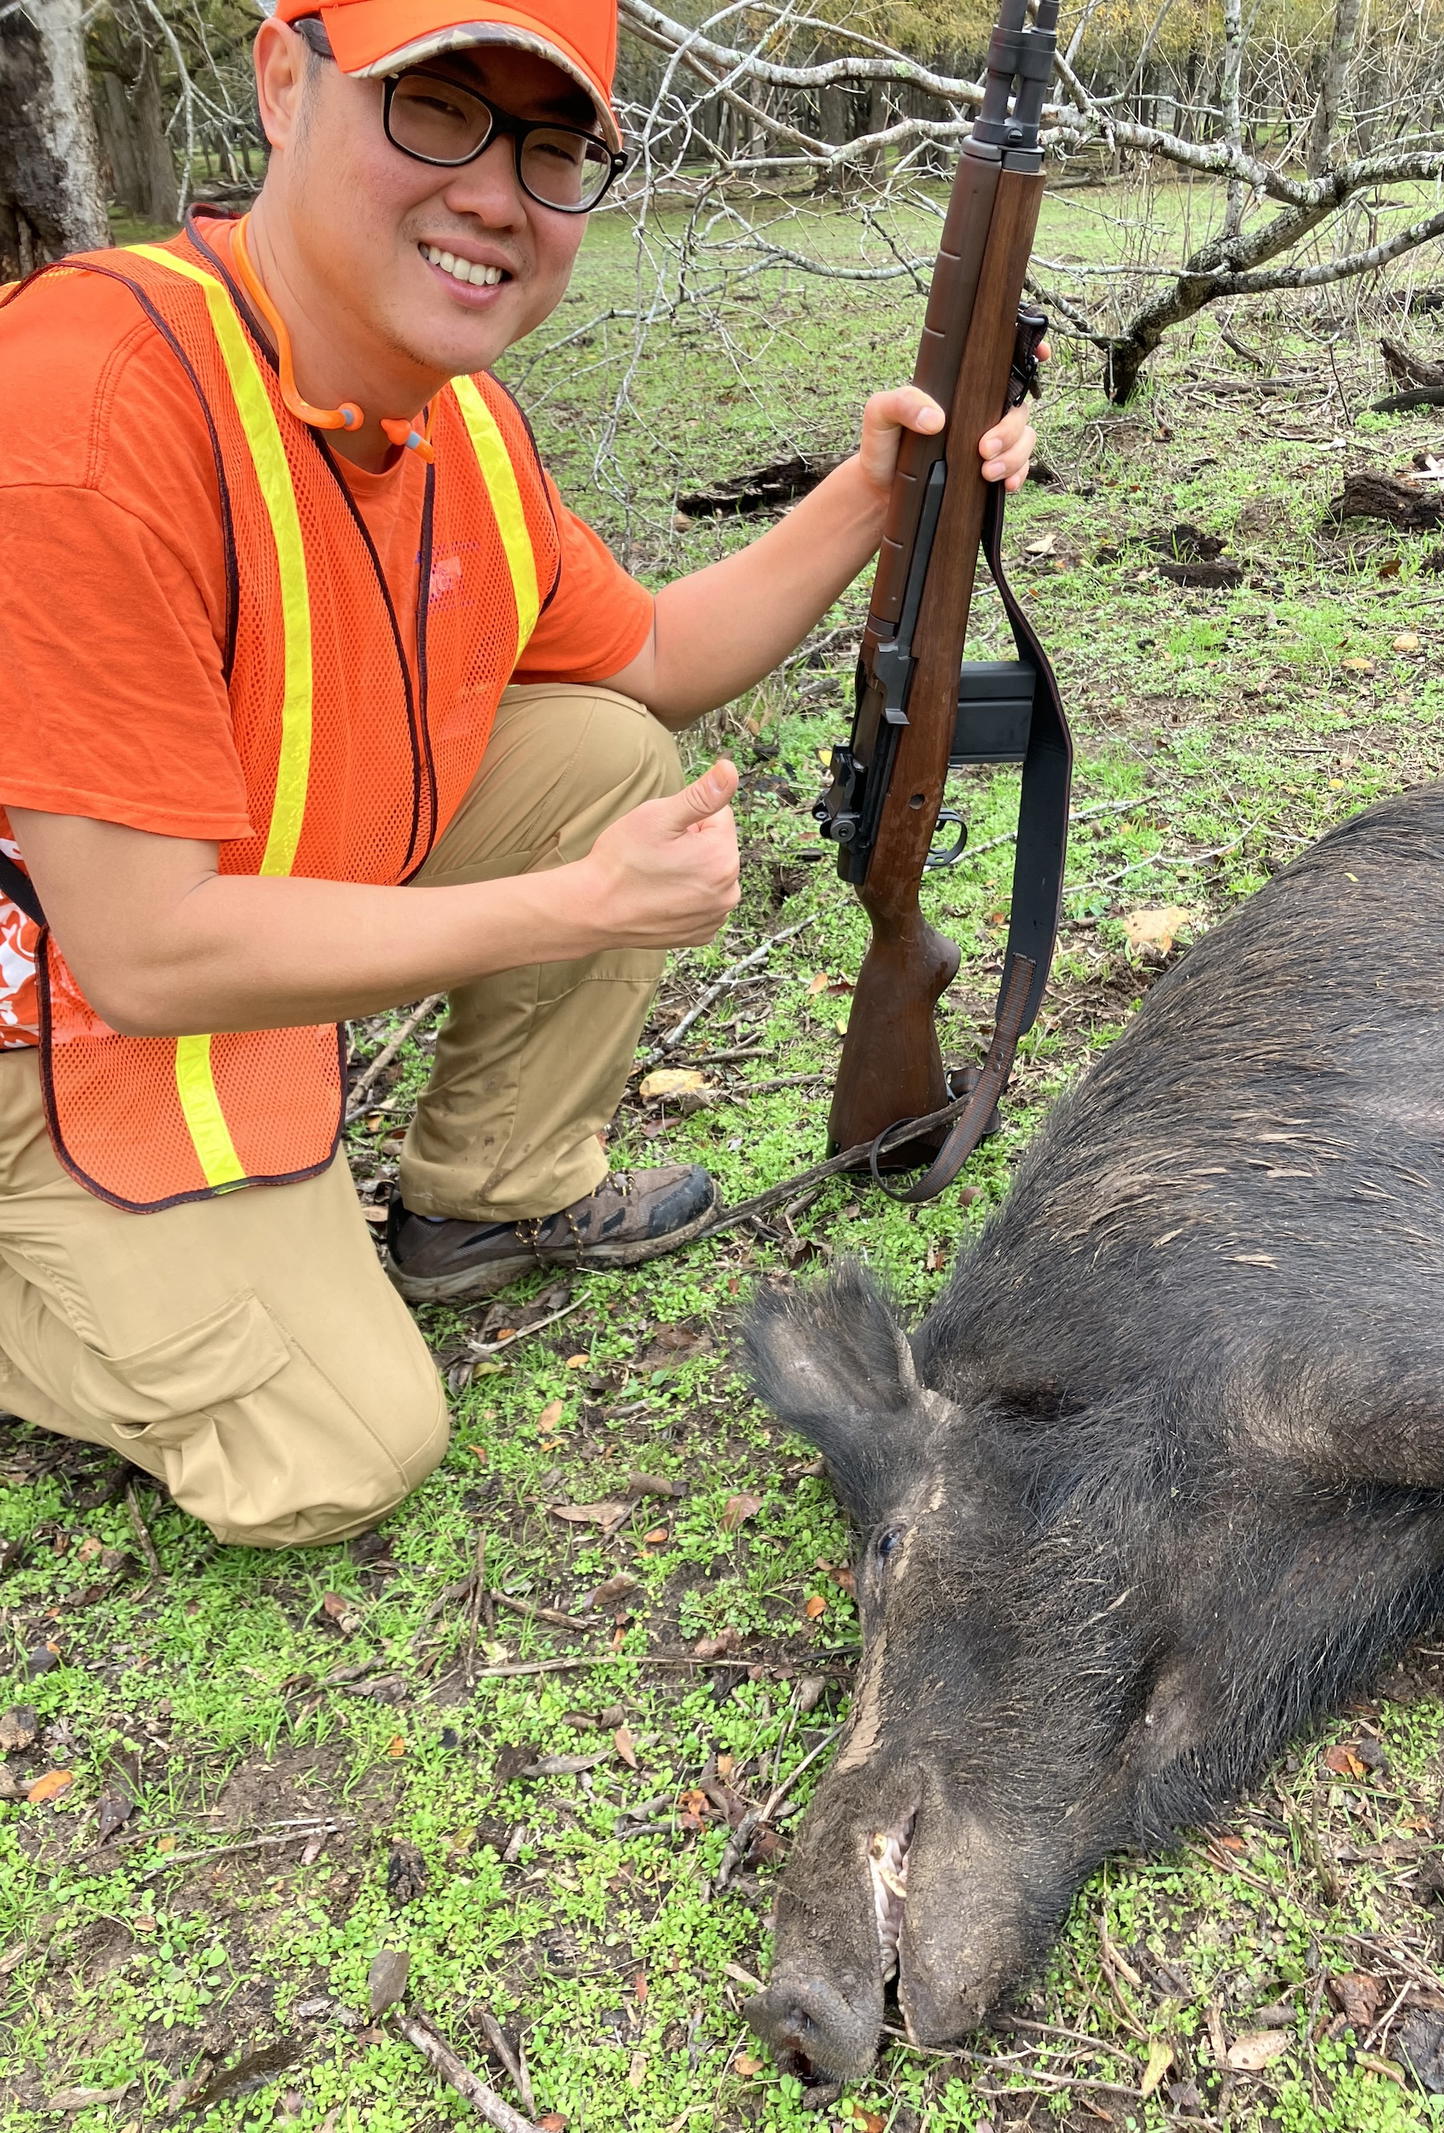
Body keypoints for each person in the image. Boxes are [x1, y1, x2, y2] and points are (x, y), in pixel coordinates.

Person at [0, 0, 1039, 1548]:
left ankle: (490, 1193)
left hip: (209, 925)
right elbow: (143, 954)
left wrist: (884, 487)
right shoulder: (86, 399)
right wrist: (578, 907)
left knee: (603, 751)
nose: (494, 194)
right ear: (284, 82)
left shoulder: (461, 426)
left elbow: (661, 656)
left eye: (551, 148)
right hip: (56, 1030)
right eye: (434, 108)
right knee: (340, 1445)